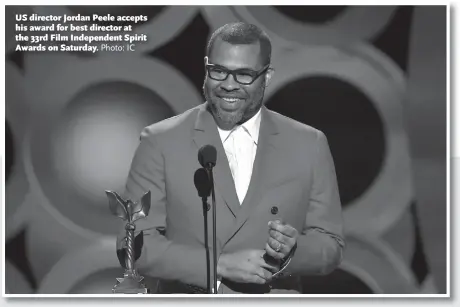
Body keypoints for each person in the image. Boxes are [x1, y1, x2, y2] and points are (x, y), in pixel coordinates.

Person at [117, 22, 345, 294]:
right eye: (219, 71)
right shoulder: (160, 141)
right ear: (206, 66)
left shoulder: (308, 143)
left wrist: (293, 250)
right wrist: (217, 266)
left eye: (244, 75)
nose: (228, 85)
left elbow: (330, 246)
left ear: (267, 76)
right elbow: (133, 245)